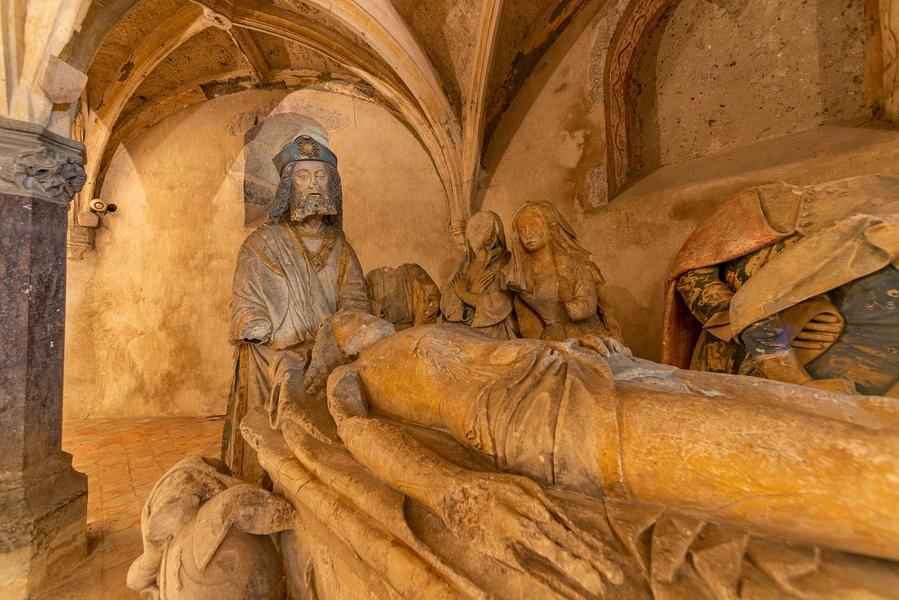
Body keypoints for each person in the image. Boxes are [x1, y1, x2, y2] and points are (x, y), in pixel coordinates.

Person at [663, 175, 899, 396]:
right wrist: (769, 333)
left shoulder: (877, 229)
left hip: (842, 399)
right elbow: (693, 274)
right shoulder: (771, 208)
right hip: (740, 375)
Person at [222, 132, 369, 481]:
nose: (313, 185)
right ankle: (266, 476)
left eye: (320, 176)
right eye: (303, 176)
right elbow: (244, 302)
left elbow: (356, 300)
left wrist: (340, 335)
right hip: (278, 355)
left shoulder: (341, 247)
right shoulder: (262, 243)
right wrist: (253, 320)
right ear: (289, 187)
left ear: (332, 185)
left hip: (328, 355)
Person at [508, 202, 621, 341]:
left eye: (534, 226)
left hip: (586, 336)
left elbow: (587, 306)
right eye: (522, 230)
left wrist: (563, 308)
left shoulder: (574, 265)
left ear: (550, 227)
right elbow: (526, 320)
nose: (528, 234)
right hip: (550, 338)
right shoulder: (520, 276)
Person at [440, 211, 518, 339]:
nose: (474, 231)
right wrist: (471, 294)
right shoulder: (463, 265)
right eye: (473, 227)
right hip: (458, 332)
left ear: (495, 234)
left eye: (480, 227)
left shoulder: (506, 262)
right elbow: (447, 307)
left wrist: (465, 294)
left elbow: (498, 306)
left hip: (492, 333)